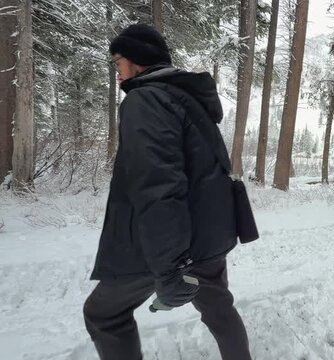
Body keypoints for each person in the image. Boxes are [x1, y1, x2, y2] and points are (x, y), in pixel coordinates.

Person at [83, 23, 252, 360]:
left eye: (118, 62)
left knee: (104, 314)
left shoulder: (145, 101)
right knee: (217, 305)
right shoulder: (187, 99)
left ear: (138, 60)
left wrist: (170, 267)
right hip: (208, 237)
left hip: (167, 246)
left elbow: (158, 187)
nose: (117, 73)